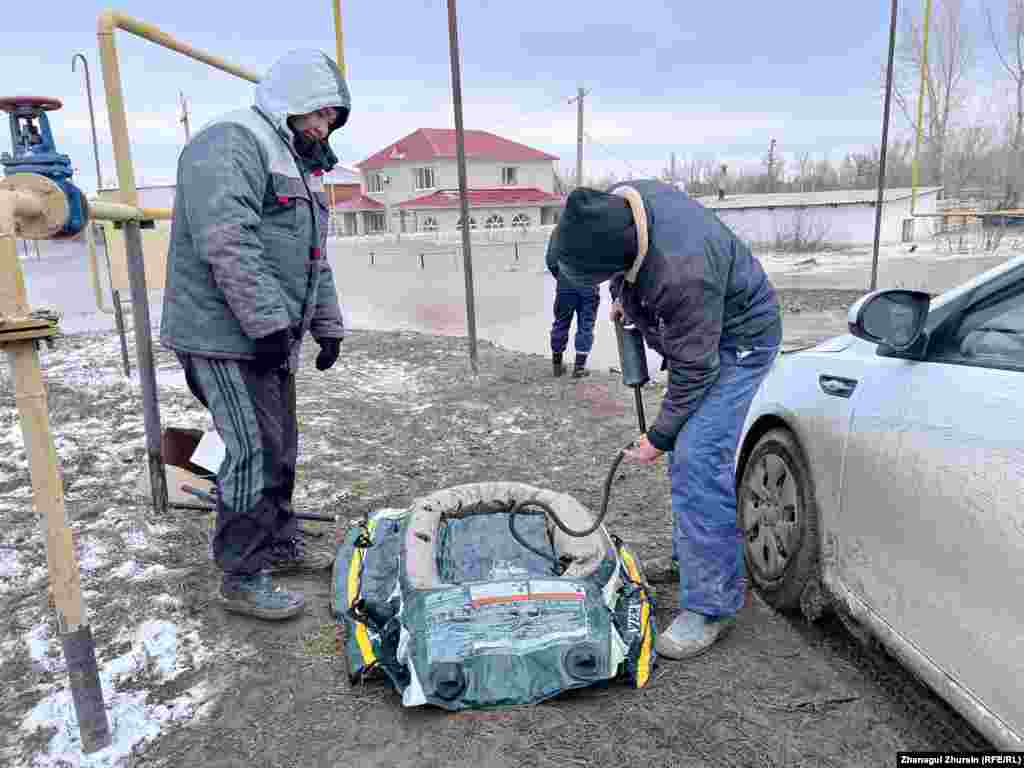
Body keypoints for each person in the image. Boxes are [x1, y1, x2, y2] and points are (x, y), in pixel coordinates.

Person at [549, 180, 782, 659]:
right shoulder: (618, 206)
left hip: (738, 341)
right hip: (699, 329)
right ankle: (694, 562)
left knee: (696, 457)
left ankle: (711, 605)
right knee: (686, 452)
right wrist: (625, 296)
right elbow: (630, 268)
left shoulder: (683, 272)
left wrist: (658, 436)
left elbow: (697, 371)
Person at [160, 50, 351, 621]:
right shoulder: (231, 142)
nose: (323, 128)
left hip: (268, 334)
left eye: (332, 119)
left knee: (280, 445)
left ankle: (277, 541)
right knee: (250, 450)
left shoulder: (297, 162)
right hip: (221, 334)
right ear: (292, 99)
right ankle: (240, 574)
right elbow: (228, 240)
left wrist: (326, 325)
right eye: (319, 113)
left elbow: (313, 257)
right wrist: (269, 323)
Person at [545, 229, 600, 377]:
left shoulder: (560, 229)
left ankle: (557, 366)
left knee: (561, 323)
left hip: (565, 283)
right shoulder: (597, 228)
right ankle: (579, 368)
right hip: (589, 284)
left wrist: (561, 276)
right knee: (586, 325)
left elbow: (551, 260)